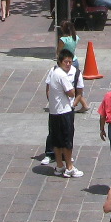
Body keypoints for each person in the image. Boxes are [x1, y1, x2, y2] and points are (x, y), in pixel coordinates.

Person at [44, 49, 83, 178]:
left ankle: (59, 166)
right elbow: (71, 92)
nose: (68, 64)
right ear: (60, 61)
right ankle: (69, 167)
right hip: (64, 112)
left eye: (70, 62)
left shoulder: (54, 72)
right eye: (66, 61)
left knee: (56, 140)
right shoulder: (62, 75)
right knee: (67, 140)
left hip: (54, 112)